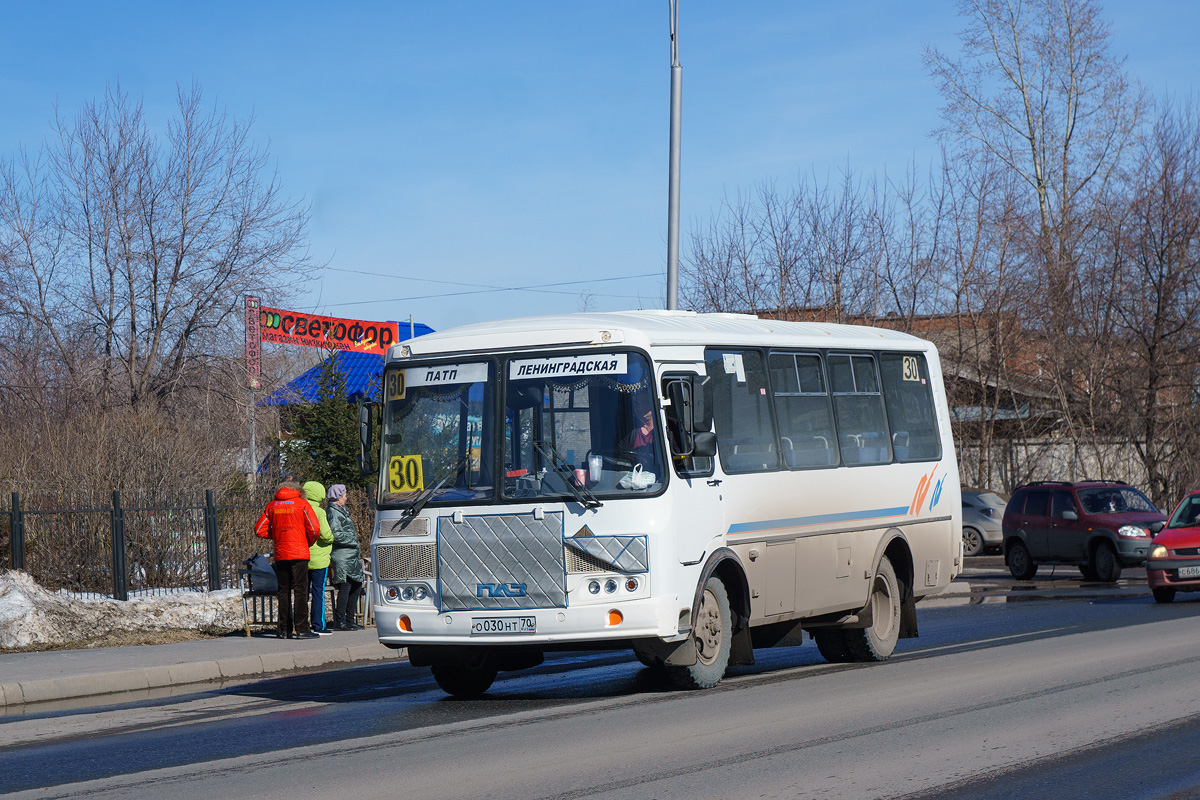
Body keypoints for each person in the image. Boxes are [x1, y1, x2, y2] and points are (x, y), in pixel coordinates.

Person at [254, 476, 322, 639]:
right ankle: (302, 629)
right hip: (299, 552)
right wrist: (307, 542)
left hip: (281, 553)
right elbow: (314, 529)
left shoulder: (272, 505)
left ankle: (284, 629)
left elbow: (259, 529)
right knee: (300, 590)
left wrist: (278, 535)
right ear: (298, 491)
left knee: (283, 591)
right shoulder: (302, 504)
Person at [326, 484, 366, 631]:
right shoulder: (333, 512)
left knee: (356, 585)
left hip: (351, 554)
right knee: (345, 586)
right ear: (338, 497)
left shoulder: (341, 511)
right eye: (344, 495)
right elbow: (335, 534)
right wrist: (353, 540)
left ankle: (350, 619)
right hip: (342, 555)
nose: (346, 497)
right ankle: (340, 620)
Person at [303, 480, 335, 635]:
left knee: (302, 592)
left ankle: (301, 624)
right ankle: (319, 624)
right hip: (319, 558)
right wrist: (331, 538)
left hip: (302, 557)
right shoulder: (319, 511)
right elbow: (326, 534)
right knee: (318, 592)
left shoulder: (300, 508)